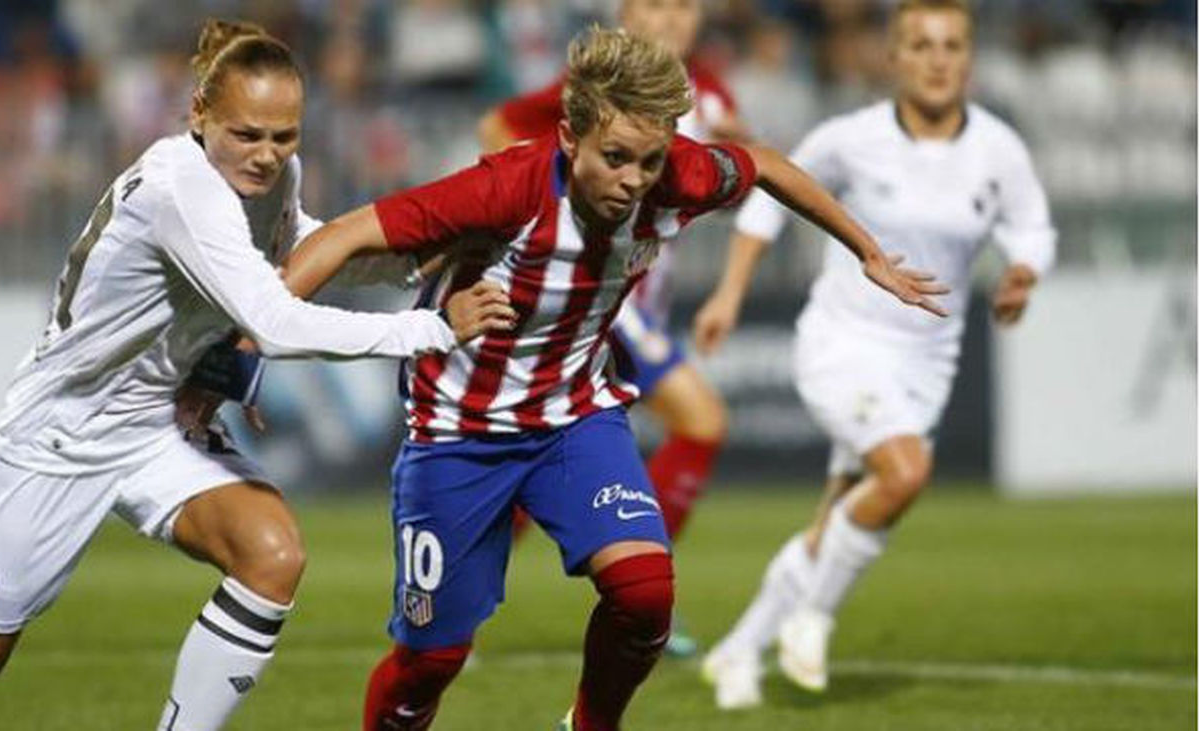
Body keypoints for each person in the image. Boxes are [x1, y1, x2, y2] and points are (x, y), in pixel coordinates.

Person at [279, 26, 945, 731]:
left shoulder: (679, 176)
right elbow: (347, 233)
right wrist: (252, 331)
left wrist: (868, 251)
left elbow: (766, 165)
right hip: (457, 434)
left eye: (649, 161)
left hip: (574, 416)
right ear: (570, 138)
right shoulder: (506, 187)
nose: (633, 181)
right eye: (616, 158)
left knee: (645, 593)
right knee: (431, 661)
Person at [0, 19, 510, 731]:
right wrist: (431, 329)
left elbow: (298, 250)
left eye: (284, 136)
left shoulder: (275, 177)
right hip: (62, 431)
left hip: (160, 420)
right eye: (246, 134)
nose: (266, 155)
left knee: (271, 552)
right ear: (198, 114)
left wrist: (411, 256)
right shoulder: (178, 185)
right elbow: (276, 319)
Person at [697, 0, 1057, 709]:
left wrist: (1022, 272)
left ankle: (737, 651)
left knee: (840, 515)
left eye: (951, 45)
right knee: (906, 470)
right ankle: (814, 617)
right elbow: (768, 198)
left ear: (969, 57)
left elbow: (1033, 227)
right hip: (844, 343)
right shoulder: (850, 138)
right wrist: (729, 294)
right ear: (892, 58)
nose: (937, 58)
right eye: (920, 44)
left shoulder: (998, 149)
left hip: (927, 362)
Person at [477, 0, 747, 656]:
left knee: (538, 458)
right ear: (627, 12)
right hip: (597, 298)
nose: (673, 20)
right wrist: (549, 204)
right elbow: (498, 126)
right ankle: (642, 592)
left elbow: (741, 174)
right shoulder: (596, 90)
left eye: (686, 6)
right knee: (702, 420)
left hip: (638, 302)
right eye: (657, 5)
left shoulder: (705, 89)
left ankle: (465, 596)